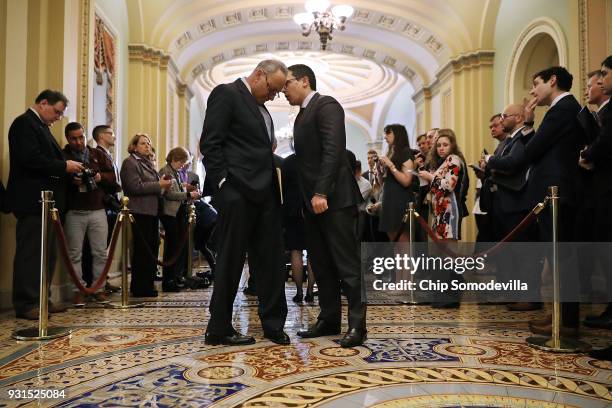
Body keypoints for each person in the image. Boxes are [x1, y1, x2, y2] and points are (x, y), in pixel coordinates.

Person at [200, 59, 289, 346]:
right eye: (272, 89)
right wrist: (224, 185)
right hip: (237, 193)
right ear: (259, 75)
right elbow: (210, 144)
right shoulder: (227, 94)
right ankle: (219, 327)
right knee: (230, 260)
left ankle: (273, 324)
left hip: (266, 196)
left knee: (271, 261)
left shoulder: (261, 109)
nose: (274, 96)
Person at [283, 63, 366, 348]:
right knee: (321, 263)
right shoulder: (301, 115)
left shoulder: (326, 105)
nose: (284, 91)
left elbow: (334, 149)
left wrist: (321, 191)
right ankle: (329, 318)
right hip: (313, 203)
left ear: (304, 81)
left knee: (347, 264)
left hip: (335, 199)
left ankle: (358, 325)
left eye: (288, 84)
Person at [7, 89, 85, 319]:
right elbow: (30, 159)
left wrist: (69, 171)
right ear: (43, 103)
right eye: (57, 112)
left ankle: (42, 299)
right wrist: (64, 167)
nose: (59, 118)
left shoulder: (41, 127)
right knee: (31, 254)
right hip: (33, 201)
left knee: (47, 254)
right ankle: (27, 302)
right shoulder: (24, 124)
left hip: (47, 202)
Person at [62, 122, 119, 305]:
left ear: (86, 136)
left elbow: (113, 178)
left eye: (81, 137)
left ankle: (99, 288)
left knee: (100, 252)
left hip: (97, 209)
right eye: (74, 138)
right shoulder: (64, 156)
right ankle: (78, 290)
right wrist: (72, 181)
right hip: (74, 210)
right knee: (74, 253)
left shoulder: (97, 154)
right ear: (68, 139)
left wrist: (99, 177)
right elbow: (56, 179)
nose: (79, 142)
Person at [120, 133, 171, 297]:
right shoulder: (130, 163)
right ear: (134, 146)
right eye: (143, 143)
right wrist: (158, 184)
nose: (147, 146)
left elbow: (152, 186)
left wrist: (162, 185)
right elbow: (134, 187)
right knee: (142, 251)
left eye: (148, 143)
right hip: (139, 212)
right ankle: (140, 286)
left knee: (151, 249)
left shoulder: (147, 163)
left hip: (151, 211)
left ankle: (147, 284)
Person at [159, 147, 201, 292]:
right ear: (175, 159)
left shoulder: (175, 172)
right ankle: (168, 280)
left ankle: (176, 277)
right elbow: (170, 195)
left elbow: (177, 190)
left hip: (178, 213)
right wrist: (189, 195)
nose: (183, 165)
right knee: (172, 248)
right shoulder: (166, 171)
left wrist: (186, 190)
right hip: (169, 213)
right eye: (182, 162)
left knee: (178, 247)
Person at [92, 125, 123, 293]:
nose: (114, 136)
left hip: (111, 204)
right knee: (99, 247)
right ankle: (96, 283)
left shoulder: (108, 154)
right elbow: (104, 177)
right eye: (111, 133)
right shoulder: (96, 153)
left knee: (104, 247)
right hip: (102, 203)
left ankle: (103, 279)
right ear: (101, 136)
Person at [377, 124, 415, 242]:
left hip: (400, 200)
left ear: (397, 134)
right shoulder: (390, 153)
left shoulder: (406, 152)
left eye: (388, 133)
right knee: (393, 240)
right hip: (388, 199)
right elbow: (383, 182)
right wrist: (379, 170)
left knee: (402, 241)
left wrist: (391, 165)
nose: (385, 137)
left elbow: (406, 181)